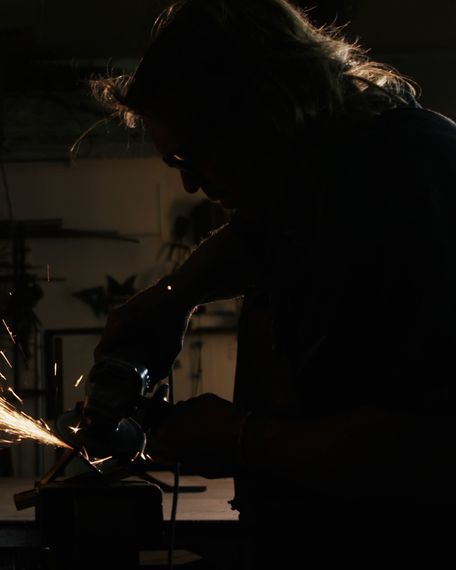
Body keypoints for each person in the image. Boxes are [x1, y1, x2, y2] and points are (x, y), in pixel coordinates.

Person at [88, 0, 456, 567]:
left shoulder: (414, 187)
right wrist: (173, 297)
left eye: (192, 154)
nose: (190, 184)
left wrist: (240, 439)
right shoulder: (318, 178)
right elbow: (258, 239)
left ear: (258, 114)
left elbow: (423, 445)